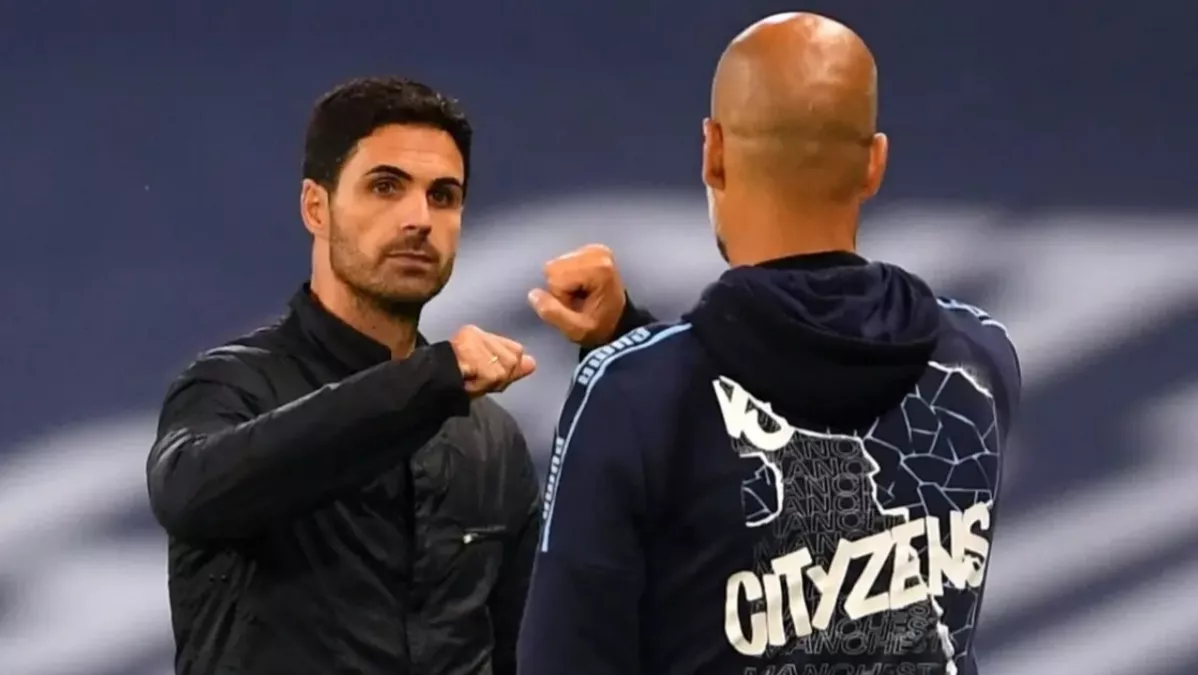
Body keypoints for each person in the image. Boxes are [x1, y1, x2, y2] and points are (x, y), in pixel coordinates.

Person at [519, 12, 1020, 675]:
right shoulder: (982, 360)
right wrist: (632, 343)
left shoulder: (629, 395)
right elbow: (794, 362)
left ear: (714, 152)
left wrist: (629, 360)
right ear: (874, 164)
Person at [146, 76, 540, 675]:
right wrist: (428, 385)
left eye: (443, 196)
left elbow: (515, 652)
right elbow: (190, 497)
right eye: (386, 186)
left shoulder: (492, 440)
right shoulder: (231, 387)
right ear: (316, 206)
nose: (420, 218)